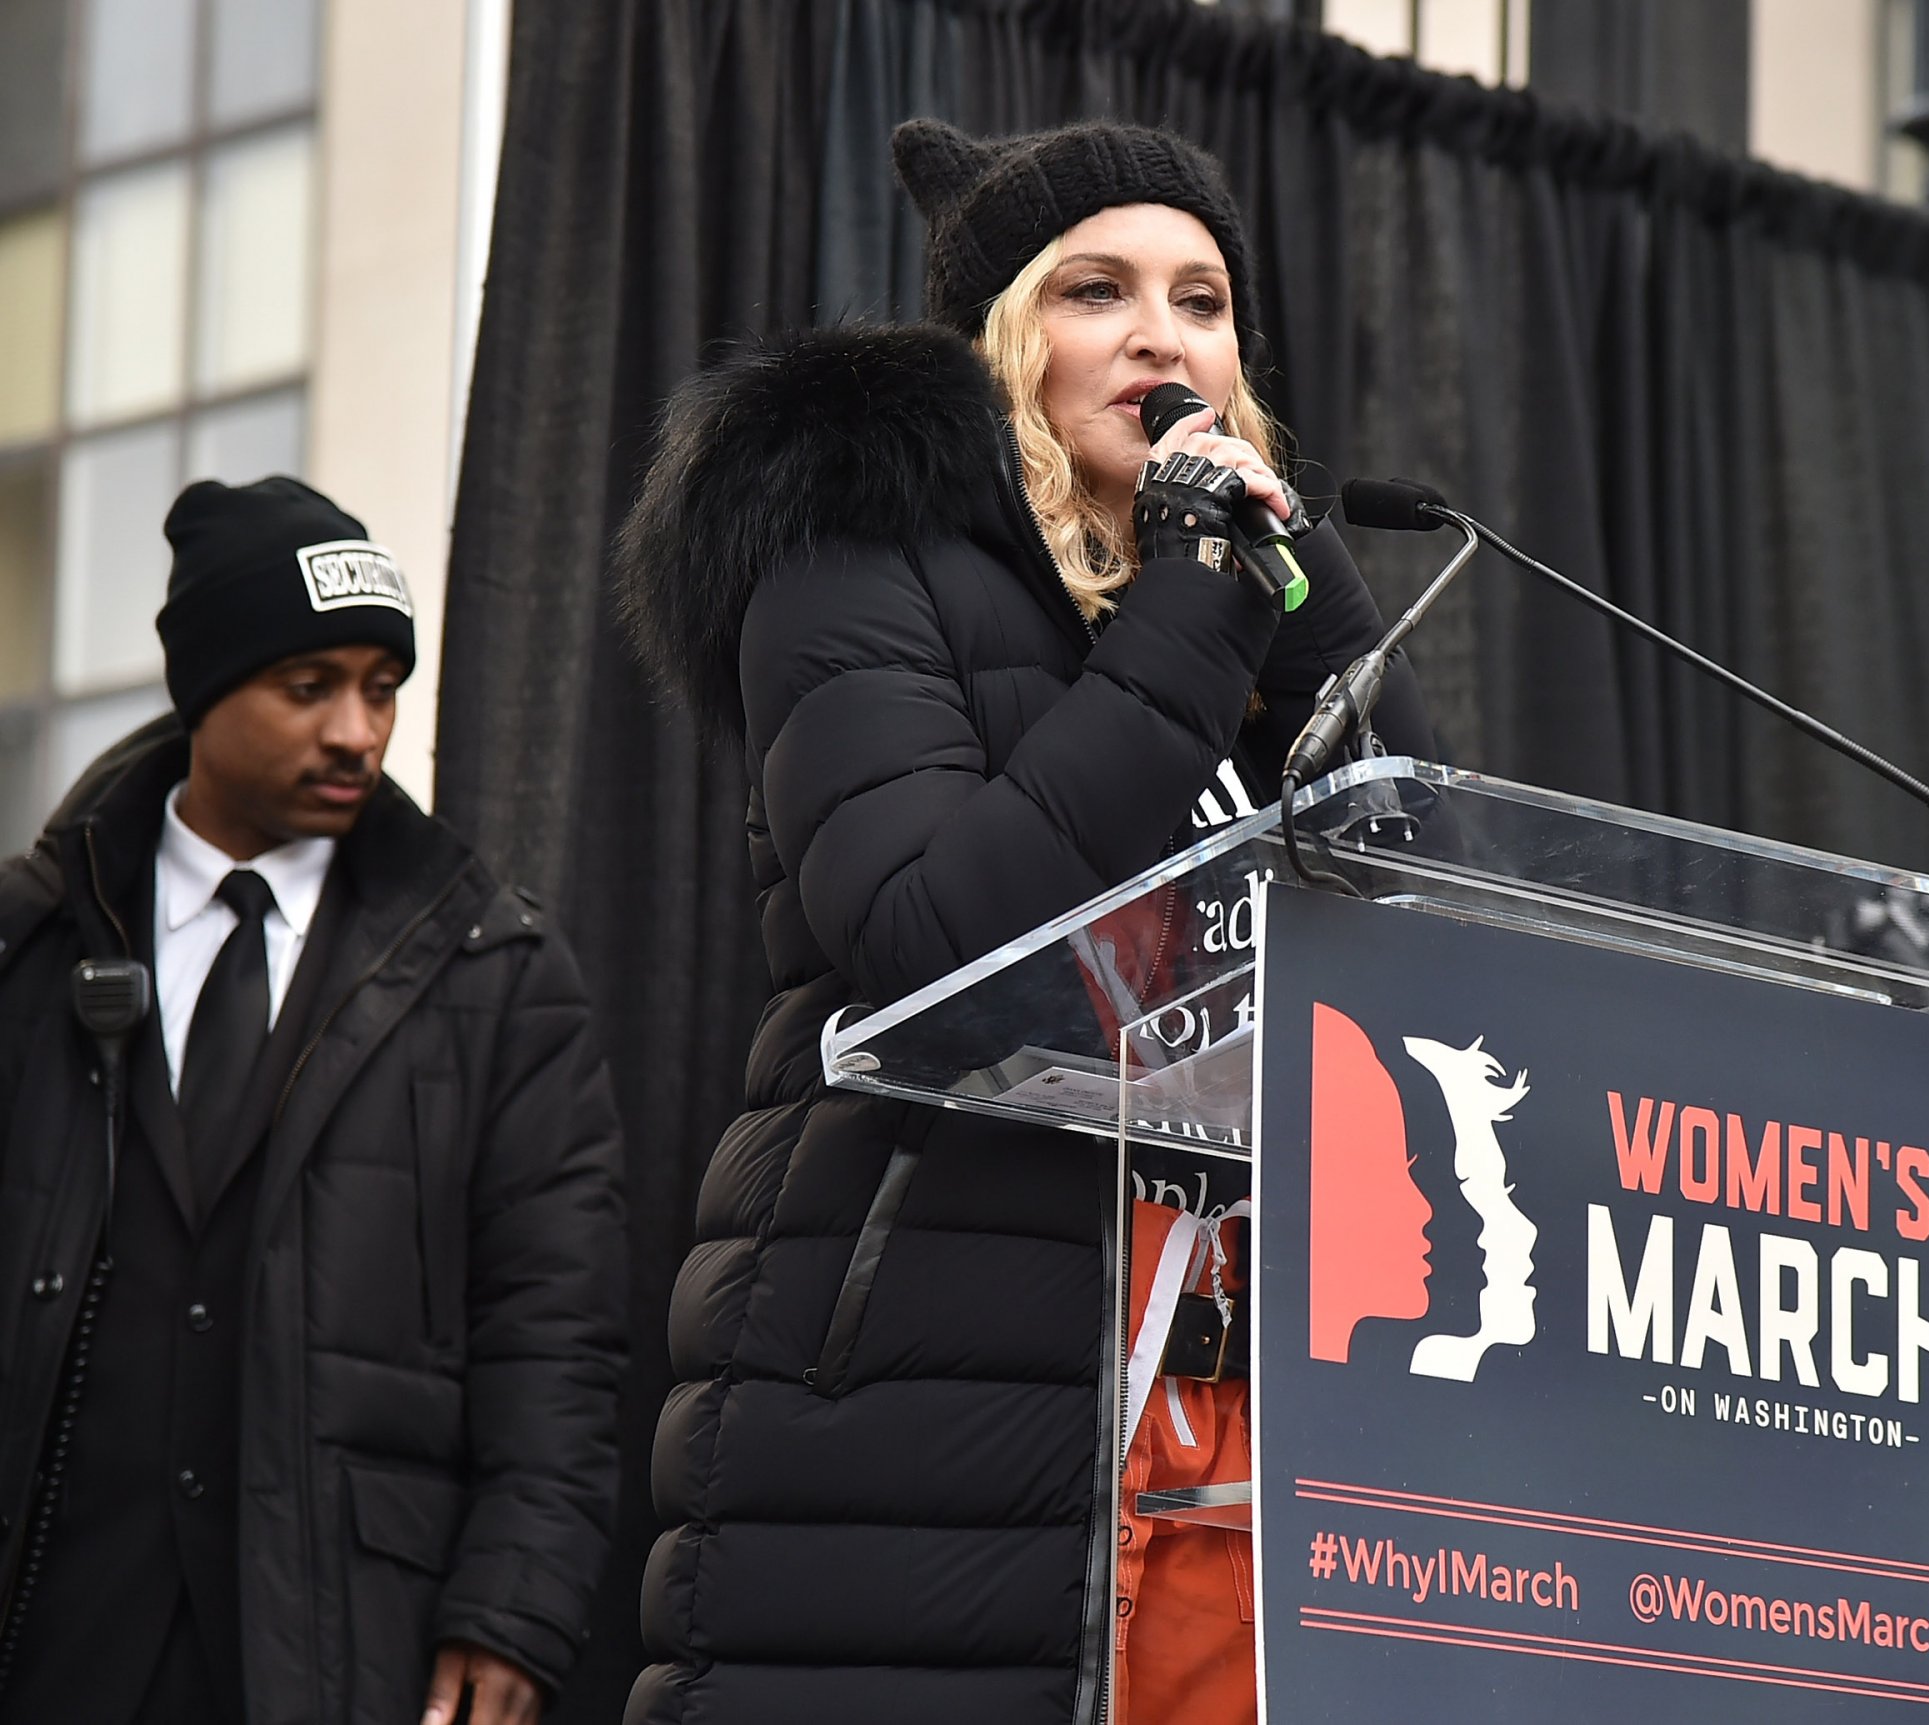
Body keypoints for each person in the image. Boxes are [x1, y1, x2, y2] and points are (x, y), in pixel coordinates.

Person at [615, 119, 1430, 1724]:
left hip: (1225, 1381)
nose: (1160, 335)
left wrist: (1303, 609)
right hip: (933, 1358)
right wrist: (1203, 605)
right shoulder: (861, 563)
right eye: (1096, 291)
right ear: (999, 345)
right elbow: (932, 929)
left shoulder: (1235, 600)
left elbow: (1419, 948)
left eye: (1202, 302)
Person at [0, 479, 628, 1725]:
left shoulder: (494, 971)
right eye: (308, 688)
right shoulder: (29, 950)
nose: (357, 730)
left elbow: (556, 1332)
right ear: (203, 691)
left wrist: (511, 1608)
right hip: (58, 1631)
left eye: (381, 689)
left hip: (344, 1639)